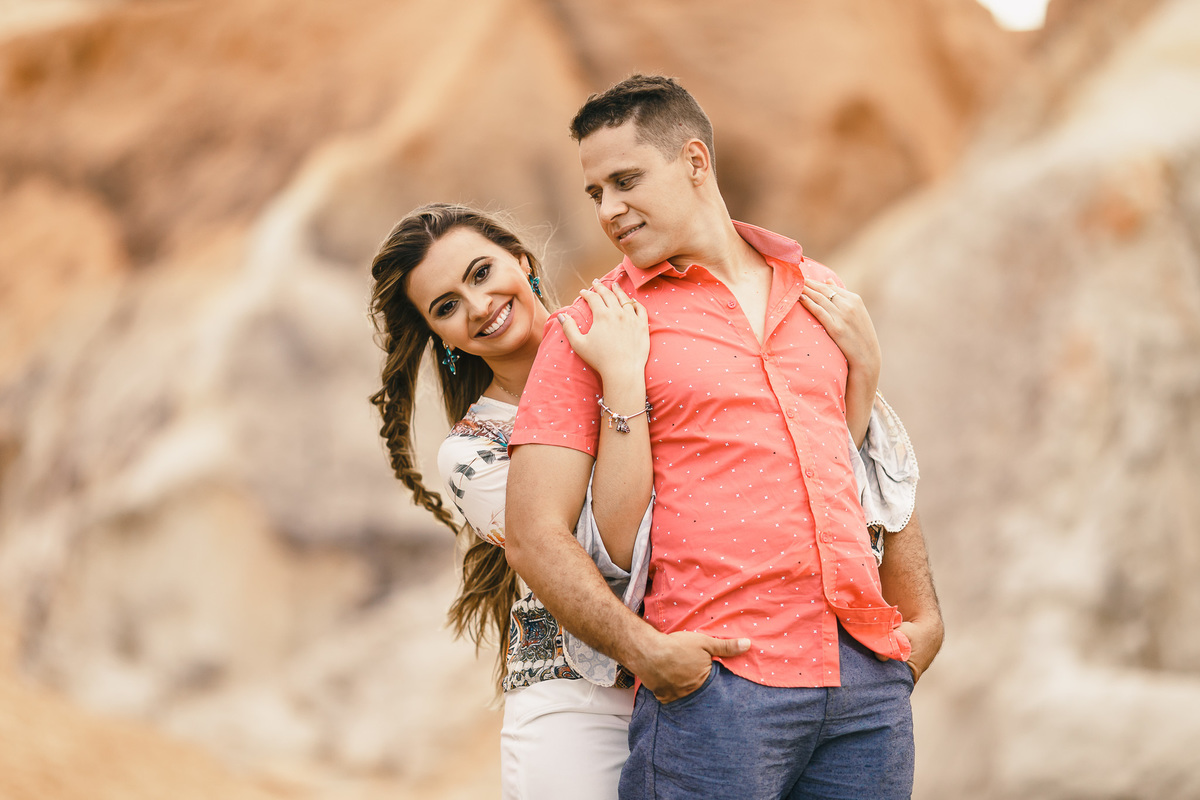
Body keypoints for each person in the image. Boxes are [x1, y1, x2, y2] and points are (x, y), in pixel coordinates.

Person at [368, 202, 911, 799]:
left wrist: (863, 374)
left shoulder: (643, 333)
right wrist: (623, 382)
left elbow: (797, 471)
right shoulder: (475, 452)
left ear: (522, 262)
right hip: (581, 705)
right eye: (446, 307)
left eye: (481, 273)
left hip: (718, 683)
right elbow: (614, 555)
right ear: (438, 336)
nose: (478, 305)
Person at [504, 75, 944, 799]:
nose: (608, 209)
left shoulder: (818, 291)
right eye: (596, 193)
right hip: (718, 693)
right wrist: (646, 652)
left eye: (626, 181)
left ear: (695, 162)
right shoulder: (593, 326)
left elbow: (870, 463)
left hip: (865, 693)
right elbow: (531, 533)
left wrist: (922, 624)